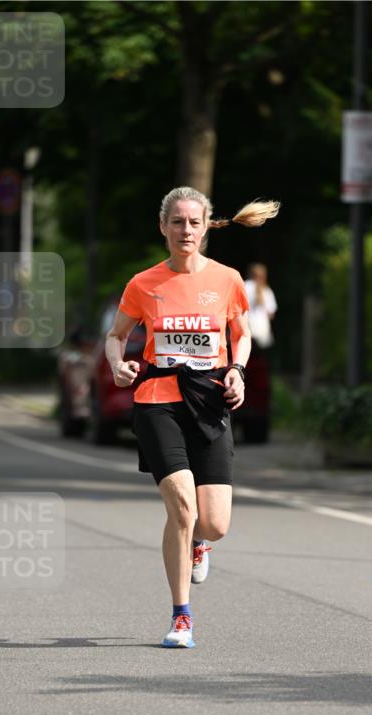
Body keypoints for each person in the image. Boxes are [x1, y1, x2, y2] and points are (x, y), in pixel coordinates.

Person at [106, 186, 280, 648]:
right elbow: (115, 335)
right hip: (157, 401)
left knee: (214, 523)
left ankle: (201, 543)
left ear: (206, 228)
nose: (186, 230)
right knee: (182, 508)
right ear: (163, 227)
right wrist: (117, 363)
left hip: (209, 401)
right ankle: (181, 616)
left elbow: (240, 335)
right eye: (178, 222)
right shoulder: (143, 283)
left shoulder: (226, 280)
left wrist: (237, 371)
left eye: (194, 222)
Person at [244, 262, 277, 349]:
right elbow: (271, 314)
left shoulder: (245, 286)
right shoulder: (267, 290)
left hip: (246, 329)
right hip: (262, 331)